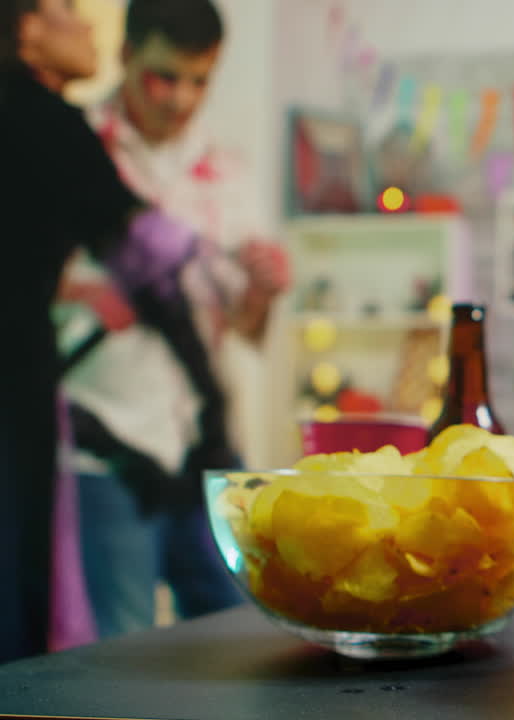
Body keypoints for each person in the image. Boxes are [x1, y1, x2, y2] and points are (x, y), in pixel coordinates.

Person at [57, 0, 287, 639]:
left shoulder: (226, 171)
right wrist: (80, 291)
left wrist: (262, 290)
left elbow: (242, 326)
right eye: (164, 76)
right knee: (116, 651)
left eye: (199, 80)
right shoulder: (66, 146)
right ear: (126, 56)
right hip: (100, 441)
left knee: (241, 637)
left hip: (203, 440)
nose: (182, 98)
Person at [0, 0, 219, 662]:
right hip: (38, 401)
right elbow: (143, 254)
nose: (87, 22)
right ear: (27, 29)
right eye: (66, 8)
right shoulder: (45, 120)